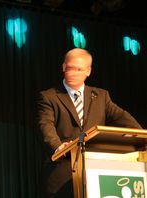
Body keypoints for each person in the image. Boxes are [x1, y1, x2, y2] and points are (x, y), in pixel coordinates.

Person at [37, 48, 142, 198]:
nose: (73, 73)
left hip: (95, 175)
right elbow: (45, 126)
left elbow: (122, 117)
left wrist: (141, 138)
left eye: (78, 69)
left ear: (88, 71)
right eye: (70, 68)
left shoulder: (100, 96)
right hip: (61, 177)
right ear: (63, 67)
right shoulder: (49, 97)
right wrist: (58, 148)